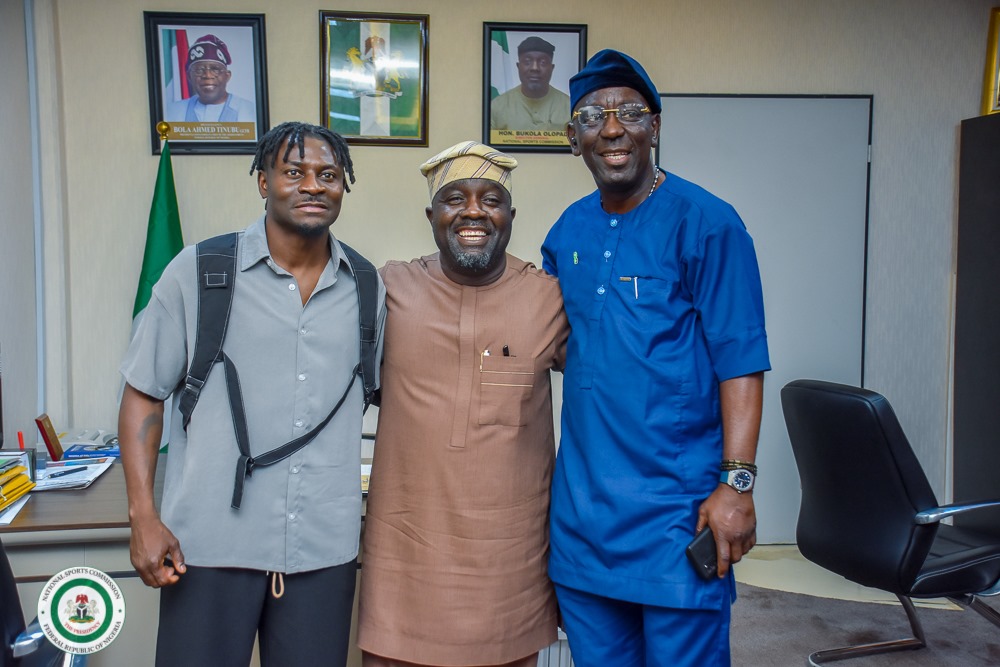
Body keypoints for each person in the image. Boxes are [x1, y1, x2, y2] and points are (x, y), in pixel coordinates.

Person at [119, 121, 385, 667]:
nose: (313, 185)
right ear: (263, 182)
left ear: (344, 187)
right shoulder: (199, 271)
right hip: (208, 548)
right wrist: (143, 517)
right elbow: (143, 395)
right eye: (294, 172)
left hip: (321, 553)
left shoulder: (367, 285)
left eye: (328, 175)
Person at [541, 50, 771, 666]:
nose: (611, 129)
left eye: (629, 113)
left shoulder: (709, 224)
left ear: (655, 126)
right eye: (592, 116)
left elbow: (741, 362)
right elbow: (559, 341)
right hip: (583, 516)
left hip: (677, 511)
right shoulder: (566, 233)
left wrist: (737, 486)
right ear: (573, 138)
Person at [357, 141, 569, 667]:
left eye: (491, 199)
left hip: (509, 560)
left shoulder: (549, 297)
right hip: (405, 555)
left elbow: (611, 389)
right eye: (455, 198)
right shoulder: (389, 290)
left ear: (511, 216)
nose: (473, 211)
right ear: (432, 215)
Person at [165, 34, 256, 123]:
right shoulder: (172, 112)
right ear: (189, 77)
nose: (207, 75)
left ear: (227, 76)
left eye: (215, 69)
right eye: (199, 70)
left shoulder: (250, 110)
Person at [490, 36, 571, 132]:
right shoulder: (497, 107)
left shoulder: (569, 106)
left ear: (552, 68)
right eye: (527, 62)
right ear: (518, 66)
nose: (535, 68)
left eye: (543, 62)